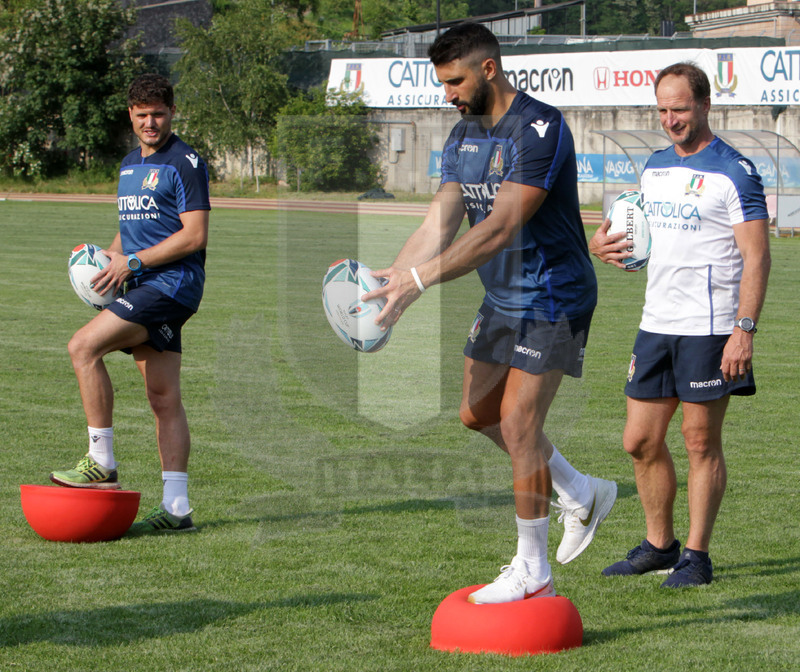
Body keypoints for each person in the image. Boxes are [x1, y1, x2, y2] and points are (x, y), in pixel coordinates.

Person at [363, 22, 616, 604]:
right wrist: (394, 282)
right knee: (478, 416)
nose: (447, 94)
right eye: (442, 84)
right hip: (502, 298)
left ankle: (533, 568)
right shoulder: (460, 138)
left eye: (454, 81)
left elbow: (502, 226)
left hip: (554, 296)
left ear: (489, 69)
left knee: (521, 422)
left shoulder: (539, 128)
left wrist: (420, 281)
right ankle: (580, 491)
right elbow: (440, 221)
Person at [590, 62, 771, 587]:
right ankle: (658, 545)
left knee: (699, 442)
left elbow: (756, 258)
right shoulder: (654, 166)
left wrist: (744, 328)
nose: (671, 119)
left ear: (706, 106)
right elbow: (637, 239)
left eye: (681, 109)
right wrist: (605, 248)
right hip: (656, 322)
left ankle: (696, 555)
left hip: (712, 327)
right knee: (638, 441)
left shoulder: (735, 171)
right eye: (663, 109)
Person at [49, 73, 211, 535]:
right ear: (130, 115)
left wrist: (133, 263)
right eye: (142, 115)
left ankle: (101, 460)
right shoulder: (126, 165)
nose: (150, 123)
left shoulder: (186, 162)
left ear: (172, 112)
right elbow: (130, 231)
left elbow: (195, 234)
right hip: (141, 285)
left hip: (170, 284)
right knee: (163, 398)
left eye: (158, 113)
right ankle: (177, 508)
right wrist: (107, 263)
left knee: (83, 347)